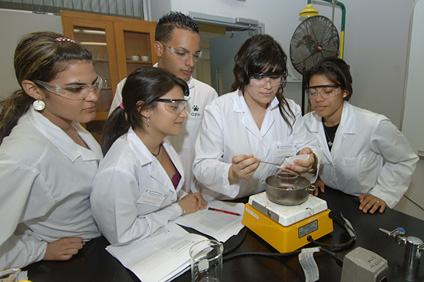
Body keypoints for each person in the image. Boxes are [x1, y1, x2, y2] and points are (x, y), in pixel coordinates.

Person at [0, 32, 102, 269]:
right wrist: (39, 250)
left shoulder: (71, 121)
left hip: (99, 248)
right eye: (76, 89)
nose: (93, 96)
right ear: (34, 90)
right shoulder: (23, 155)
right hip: (72, 265)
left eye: (94, 84)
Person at [193, 34, 323, 201]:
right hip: (226, 203)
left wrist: (311, 159)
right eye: (259, 77)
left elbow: (311, 146)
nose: (268, 86)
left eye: (275, 77)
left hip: (268, 199)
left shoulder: (290, 110)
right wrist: (231, 173)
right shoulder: (218, 110)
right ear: (242, 74)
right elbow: (202, 166)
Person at [91, 67, 207, 246]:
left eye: (182, 105)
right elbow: (121, 235)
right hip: (138, 255)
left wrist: (185, 196)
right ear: (144, 109)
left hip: (167, 238)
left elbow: (166, 190)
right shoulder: (119, 168)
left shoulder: (163, 144)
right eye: (174, 106)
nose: (184, 114)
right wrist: (179, 208)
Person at [109, 12, 218, 194]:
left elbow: (210, 152)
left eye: (196, 55)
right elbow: (119, 140)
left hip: (193, 192)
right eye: (181, 53)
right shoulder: (130, 87)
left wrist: (197, 190)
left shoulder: (207, 94)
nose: (190, 63)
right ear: (159, 49)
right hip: (146, 194)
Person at [303, 57, 418, 214]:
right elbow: (313, 158)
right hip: (328, 199)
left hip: (364, 205)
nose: (318, 99)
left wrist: (382, 194)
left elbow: (404, 159)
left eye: (327, 91)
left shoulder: (373, 124)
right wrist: (314, 177)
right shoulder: (306, 123)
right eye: (312, 92)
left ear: (345, 91)